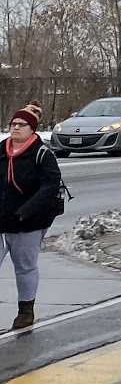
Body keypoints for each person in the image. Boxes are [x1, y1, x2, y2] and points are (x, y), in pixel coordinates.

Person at [1, 102, 64, 331]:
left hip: (27, 223)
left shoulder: (41, 154)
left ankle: (25, 311)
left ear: (32, 129)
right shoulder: (1, 150)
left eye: (22, 124)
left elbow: (50, 186)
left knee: (24, 268)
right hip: (1, 221)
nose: (16, 128)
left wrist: (25, 212)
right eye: (13, 124)